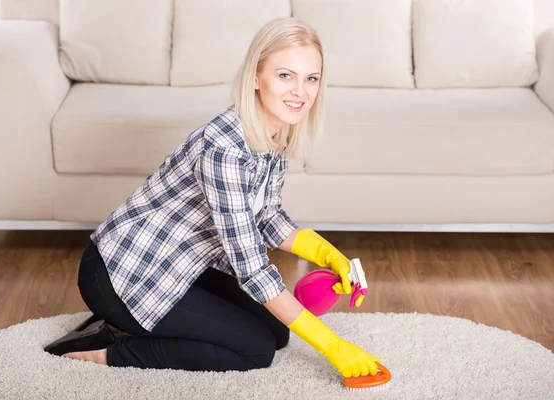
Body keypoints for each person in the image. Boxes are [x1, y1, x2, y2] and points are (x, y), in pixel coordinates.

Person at [44, 16, 382, 379]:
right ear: (256, 77)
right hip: (123, 270)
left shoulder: (275, 135)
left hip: (182, 263)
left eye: (310, 78)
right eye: (286, 75)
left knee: (277, 332)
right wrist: (332, 345)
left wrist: (328, 254)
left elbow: (267, 217)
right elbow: (252, 269)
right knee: (255, 350)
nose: (300, 91)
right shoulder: (224, 148)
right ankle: (106, 350)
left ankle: (123, 322)